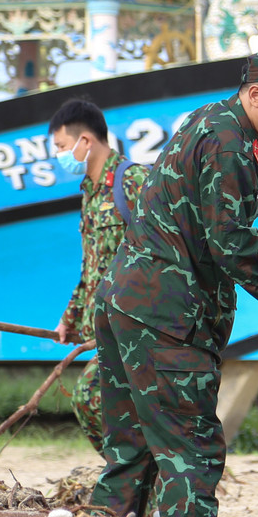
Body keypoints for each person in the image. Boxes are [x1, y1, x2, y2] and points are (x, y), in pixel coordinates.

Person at [89, 47, 258, 517]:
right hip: (166, 316)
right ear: (256, 94)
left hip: (125, 302)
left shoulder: (209, 120)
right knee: (192, 444)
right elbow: (231, 245)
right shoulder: (229, 144)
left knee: (133, 444)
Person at [48, 99, 150, 453]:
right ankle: (134, 488)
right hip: (106, 328)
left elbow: (169, 251)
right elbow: (92, 266)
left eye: (62, 147)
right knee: (115, 409)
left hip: (137, 328)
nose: (59, 156)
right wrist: (71, 318)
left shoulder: (134, 181)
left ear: (85, 141)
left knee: (90, 396)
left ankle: (128, 481)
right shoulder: (90, 193)